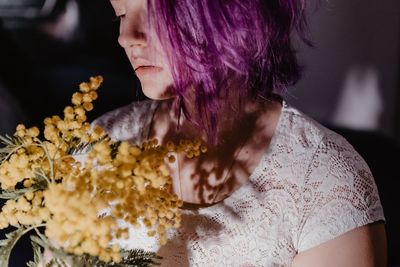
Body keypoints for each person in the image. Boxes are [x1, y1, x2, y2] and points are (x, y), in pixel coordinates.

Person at [94, 0, 387, 266]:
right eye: (120, 13)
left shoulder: (325, 183)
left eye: (155, 13)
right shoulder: (97, 144)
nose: (126, 36)